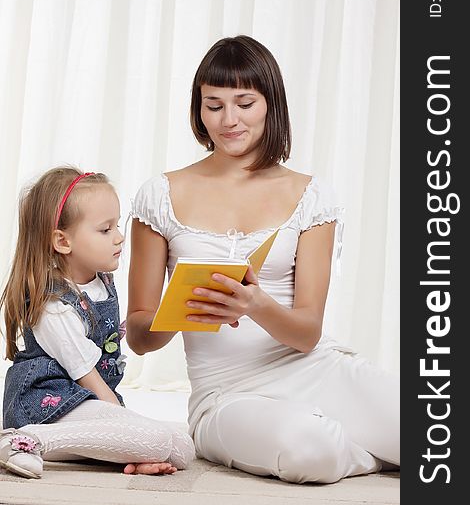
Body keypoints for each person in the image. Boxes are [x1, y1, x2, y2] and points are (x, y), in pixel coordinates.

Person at [126, 35, 400, 484]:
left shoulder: (311, 195)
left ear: (270, 104)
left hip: (312, 368)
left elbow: (307, 334)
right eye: (213, 105)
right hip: (226, 395)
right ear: (198, 109)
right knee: (310, 451)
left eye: (244, 103)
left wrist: (255, 305)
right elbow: (139, 338)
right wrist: (181, 310)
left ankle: (355, 438)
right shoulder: (160, 195)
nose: (228, 120)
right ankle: (363, 449)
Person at [0, 166, 195, 479]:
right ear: (62, 241)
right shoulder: (54, 302)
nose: (119, 237)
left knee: (183, 447)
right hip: (45, 407)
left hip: (87, 401)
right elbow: (84, 373)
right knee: (156, 440)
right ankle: (24, 440)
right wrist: (121, 419)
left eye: (117, 225)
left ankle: (74, 449)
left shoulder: (101, 281)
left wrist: (126, 442)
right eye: (105, 230)